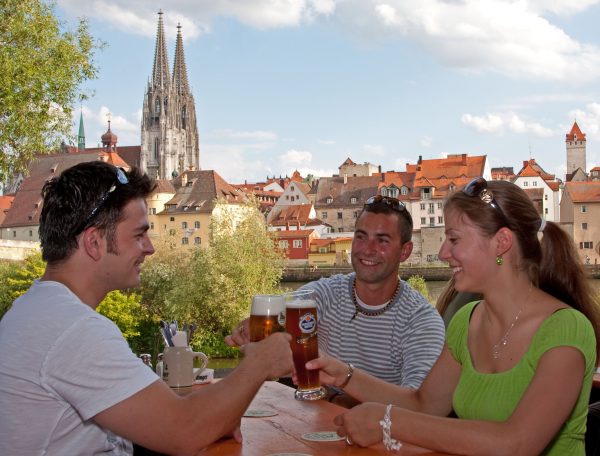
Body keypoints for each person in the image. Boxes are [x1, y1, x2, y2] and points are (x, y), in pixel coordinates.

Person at [0, 161, 293, 456]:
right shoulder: (73, 328)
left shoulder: (36, 310)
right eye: (139, 235)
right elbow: (183, 432)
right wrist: (260, 363)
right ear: (94, 242)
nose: (150, 248)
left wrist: (214, 413)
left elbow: (160, 415)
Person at [308, 178, 600, 455]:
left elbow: (516, 444)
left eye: (454, 239)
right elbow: (422, 404)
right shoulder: (466, 321)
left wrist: (389, 421)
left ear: (502, 243)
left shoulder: (566, 330)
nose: (443, 252)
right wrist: (343, 375)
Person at [227, 195, 445, 398]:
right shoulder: (327, 293)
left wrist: (340, 399)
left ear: (405, 252)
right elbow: (282, 311)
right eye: (361, 237)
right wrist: (252, 329)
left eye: (382, 241)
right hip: (319, 426)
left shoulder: (421, 321)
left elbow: (417, 406)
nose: (367, 249)